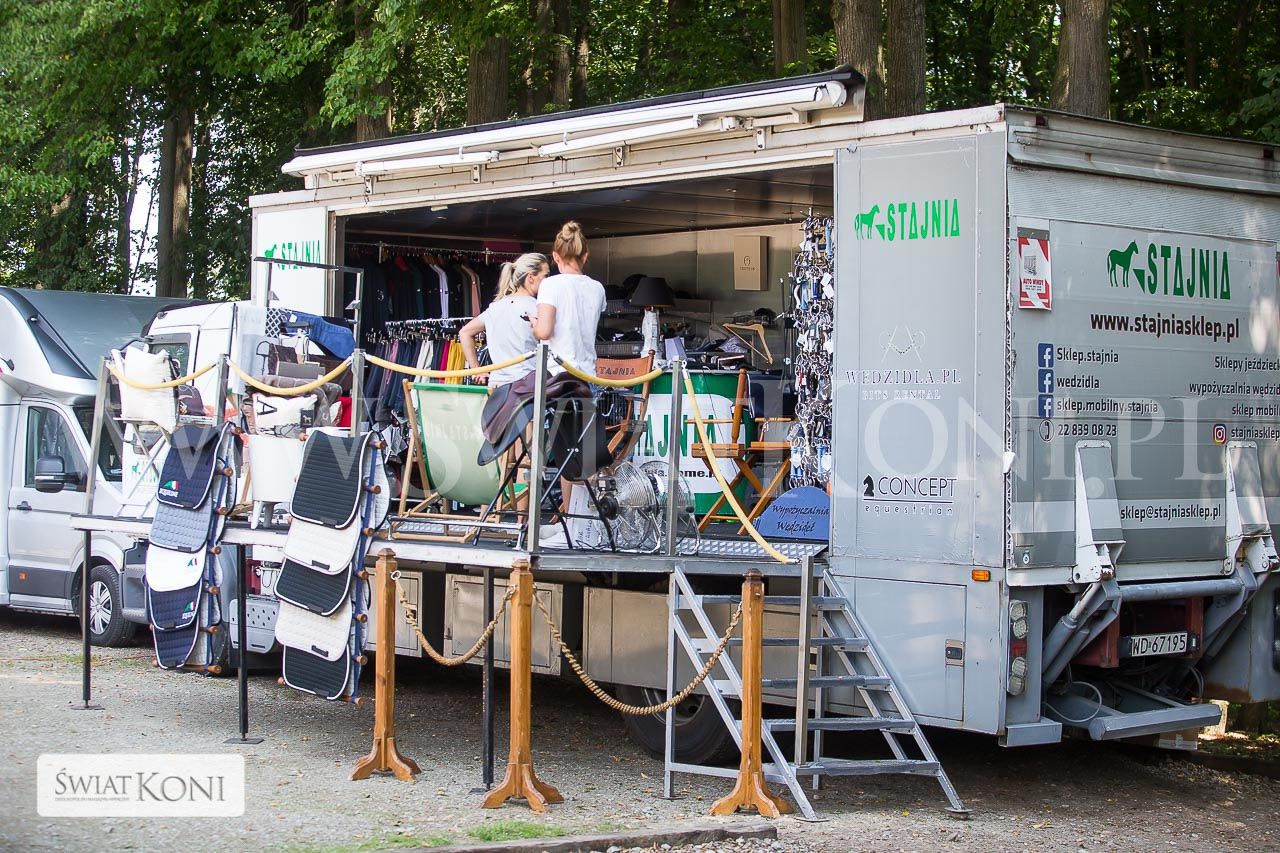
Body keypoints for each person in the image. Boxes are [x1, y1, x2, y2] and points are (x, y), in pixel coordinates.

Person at [459, 252, 549, 388]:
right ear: (530, 277)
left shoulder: (495, 308)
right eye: (545, 276)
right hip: (528, 386)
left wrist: (476, 370)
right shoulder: (538, 308)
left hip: (498, 386)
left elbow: (465, 332)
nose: (548, 281)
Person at [531, 221, 606, 377]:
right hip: (588, 374)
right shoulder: (597, 287)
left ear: (555, 256)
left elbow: (544, 332)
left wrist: (534, 324)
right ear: (585, 256)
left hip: (557, 374)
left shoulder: (550, 284)